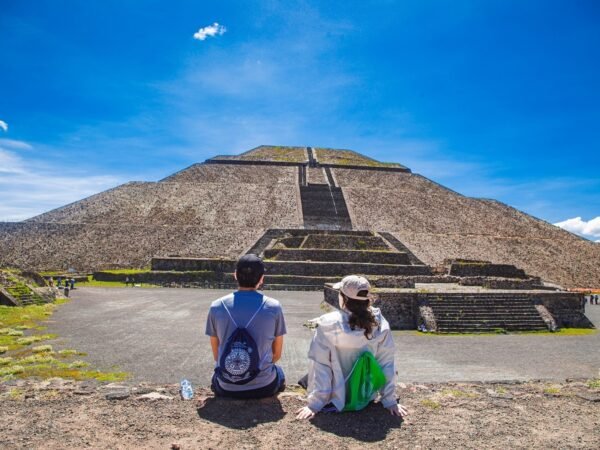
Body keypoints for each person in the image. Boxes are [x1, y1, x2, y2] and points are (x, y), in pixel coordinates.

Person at [296, 275, 408, 420]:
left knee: (312, 368)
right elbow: (387, 363)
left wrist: (315, 404)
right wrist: (390, 401)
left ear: (344, 298)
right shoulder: (380, 322)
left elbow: (321, 366)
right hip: (364, 392)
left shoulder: (327, 324)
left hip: (336, 395)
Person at [205, 254, 286, 399]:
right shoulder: (274, 307)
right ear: (261, 278)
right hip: (263, 386)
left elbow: (217, 355)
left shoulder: (216, 306)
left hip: (226, 386)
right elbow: (276, 355)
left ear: (235, 275)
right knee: (279, 372)